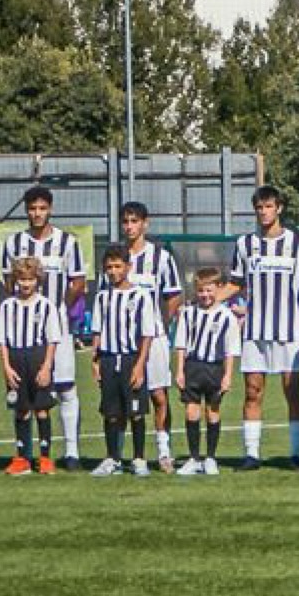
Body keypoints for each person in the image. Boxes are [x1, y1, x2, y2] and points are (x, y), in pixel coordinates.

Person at [223, 185, 299, 469]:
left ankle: (294, 454)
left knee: (293, 391)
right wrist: (208, 298)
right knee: (253, 390)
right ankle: (251, 455)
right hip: (255, 331)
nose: (264, 212)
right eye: (259, 207)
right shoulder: (245, 244)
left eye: (268, 206)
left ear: (279, 208)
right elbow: (235, 283)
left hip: (289, 330)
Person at [0, 186, 87, 468]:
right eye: (32, 209)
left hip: (56, 324)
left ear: (50, 209)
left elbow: (78, 282)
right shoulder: (14, 243)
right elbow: (7, 282)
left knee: (65, 386)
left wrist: (59, 307)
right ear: (26, 210)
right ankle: (25, 455)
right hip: (24, 329)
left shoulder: (67, 242)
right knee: (23, 390)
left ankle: (71, 450)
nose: (37, 214)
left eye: (42, 208)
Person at [117, 200, 183, 473]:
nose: (130, 227)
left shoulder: (160, 257)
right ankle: (120, 454)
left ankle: (164, 451)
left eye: (135, 221)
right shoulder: (117, 258)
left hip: (154, 338)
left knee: (158, 395)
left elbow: (174, 296)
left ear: (145, 223)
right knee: (123, 398)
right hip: (122, 340)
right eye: (126, 221)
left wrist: (159, 323)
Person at [90, 245, 159, 478]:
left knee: (136, 412)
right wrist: (95, 361)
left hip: (131, 358)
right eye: (109, 267)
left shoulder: (140, 296)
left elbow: (147, 334)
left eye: (118, 266)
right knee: (111, 412)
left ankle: (139, 458)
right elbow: (97, 331)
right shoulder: (102, 297)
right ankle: (112, 458)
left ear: (128, 267)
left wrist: (140, 366)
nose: (113, 271)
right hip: (109, 359)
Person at [0, 255, 64, 476]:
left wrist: (46, 367)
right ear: (15, 280)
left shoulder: (45, 306)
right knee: (21, 410)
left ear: (38, 280)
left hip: (37, 357)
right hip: (16, 359)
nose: (26, 284)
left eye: (30, 279)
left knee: (41, 409)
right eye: (21, 280)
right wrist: (6, 367)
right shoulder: (7, 306)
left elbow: (52, 339)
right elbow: (2, 340)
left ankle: (44, 457)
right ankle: (22, 457)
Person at [175, 268, 241, 476]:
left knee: (212, 411)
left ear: (219, 289)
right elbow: (181, 344)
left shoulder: (226, 316)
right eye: (201, 291)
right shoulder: (189, 313)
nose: (205, 295)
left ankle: (210, 457)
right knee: (191, 411)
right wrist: (179, 371)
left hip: (214, 368)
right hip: (193, 366)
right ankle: (194, 458)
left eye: (209, 290)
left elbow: (231, 350)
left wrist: (228, 375)